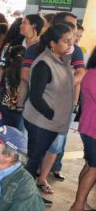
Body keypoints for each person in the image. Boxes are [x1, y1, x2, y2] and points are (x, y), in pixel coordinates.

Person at [23, 23, 75, 184]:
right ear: (53, 44)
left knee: (36, 159)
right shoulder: (44, 63)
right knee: (33, 161)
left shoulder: (61, 60)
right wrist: (52, 114)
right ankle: (24, 198)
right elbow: (35, 96)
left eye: (71, 40)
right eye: (66, 41)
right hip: (41, 122)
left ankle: (29, 194)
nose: (70, 44)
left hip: (50, 123)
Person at [68, 47, 96, 211]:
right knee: (94, 168)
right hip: (92, 128)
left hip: (90, 127)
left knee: (90, 165)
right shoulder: (93, 75)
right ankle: (76, 207)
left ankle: (82, 203)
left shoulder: (91, 73)